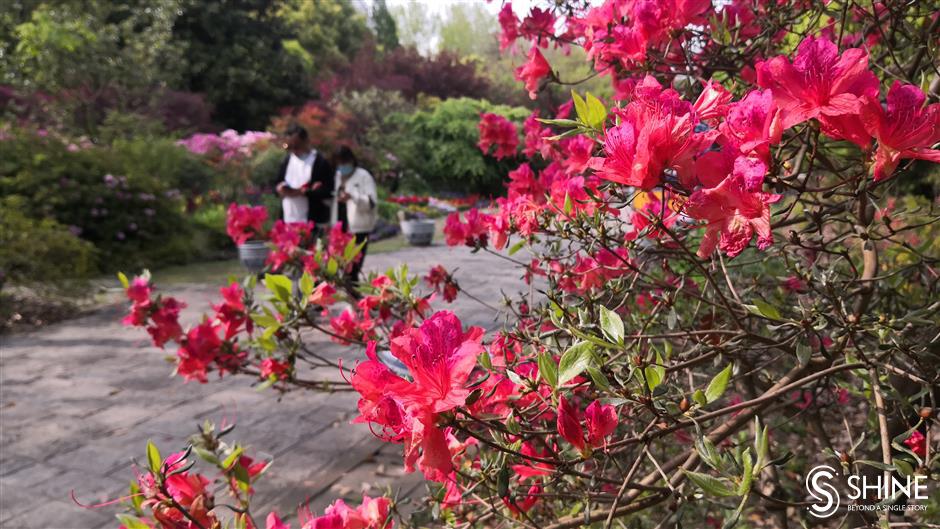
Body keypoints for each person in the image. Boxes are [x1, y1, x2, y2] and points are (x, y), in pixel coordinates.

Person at [331, 146, 377, 285]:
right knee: (343, 268)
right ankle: (354, 299)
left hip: (359, 228)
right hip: (341, 228)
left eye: (344, 162)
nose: (342, 166)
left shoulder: (363, 176)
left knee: (353, 268)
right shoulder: (337, 177)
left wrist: (353, 196)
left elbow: (371, 202)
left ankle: (355, 301)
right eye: (339, 163)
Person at [274, 124, 334, 227]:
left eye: (296, 146)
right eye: (289, 146)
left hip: (312, 219)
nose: (293, 150)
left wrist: (308, 192)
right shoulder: (287, 160)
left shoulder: (319, 162)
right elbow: (277, 183)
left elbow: (329, 190)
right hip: (289, 216)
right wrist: (280, 189)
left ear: (306, 141)